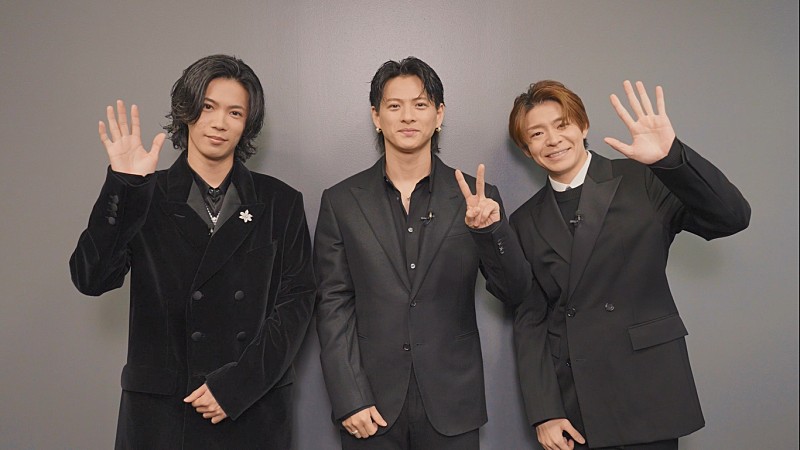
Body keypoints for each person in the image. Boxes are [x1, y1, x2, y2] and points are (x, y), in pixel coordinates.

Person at [69, 54, 315, 449]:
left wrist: (237, 386)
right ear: (186, 111)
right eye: (208, 107)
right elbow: (91, 278)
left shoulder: (280, 201)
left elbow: (297, 302)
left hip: (252, 407)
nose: (219, 123)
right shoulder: (145, 193)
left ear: (247, 123)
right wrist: (123, 186)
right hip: (163, 415)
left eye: (235, 112)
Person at [505, 79, 750, 450]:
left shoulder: (644, 178)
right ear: (527, 150)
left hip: (647, 388)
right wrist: (544, 411)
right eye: (537, 134)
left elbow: (732, 217)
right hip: (576, 402)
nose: (553, 140)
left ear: (583, 126)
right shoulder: (525, 220)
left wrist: (672, 158)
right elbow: (531, 319)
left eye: (561, 125)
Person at [314, 56, 530, 449]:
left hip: (454, 402)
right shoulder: (341, 201)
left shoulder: (477, 197)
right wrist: (350, 397)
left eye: (420, 104)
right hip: (370, 406)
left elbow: (514, 291)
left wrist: (490, 231)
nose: (408, 116)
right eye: (394, 106)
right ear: (376, 116)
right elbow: (333, 305)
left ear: (439, 114)